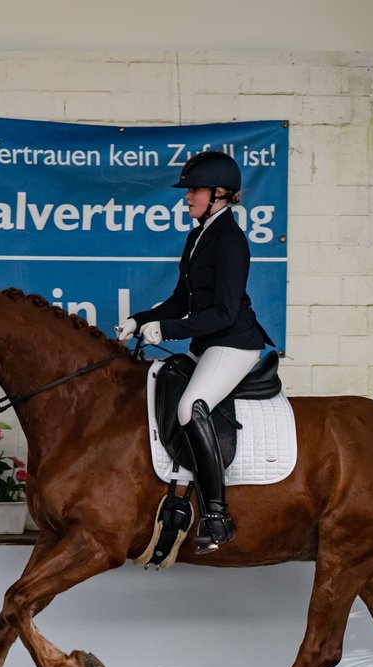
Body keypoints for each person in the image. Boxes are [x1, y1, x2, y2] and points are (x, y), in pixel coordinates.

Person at [116, 150, 274, 554]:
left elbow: (222, 312)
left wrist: (167, 330)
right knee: (160, 381)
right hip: (210, 342)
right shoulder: (198, 235)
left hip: (234, 342)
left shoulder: (231, 241)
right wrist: (141, 318)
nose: (187, 198)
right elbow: (181, 298)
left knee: (192, 405)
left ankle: (217, 515)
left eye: (194, 191)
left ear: (219, 195)